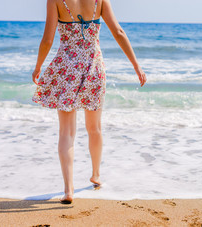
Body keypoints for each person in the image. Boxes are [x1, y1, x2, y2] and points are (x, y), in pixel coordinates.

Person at [31, 0, 146, 204]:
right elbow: (118, 32)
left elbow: (48, 40)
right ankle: (96, 174)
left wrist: (38, 66)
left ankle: (68, 189)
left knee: (66, 131)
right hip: (94, 67)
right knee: (95, 128)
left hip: (66, 67)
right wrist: (136, 65)